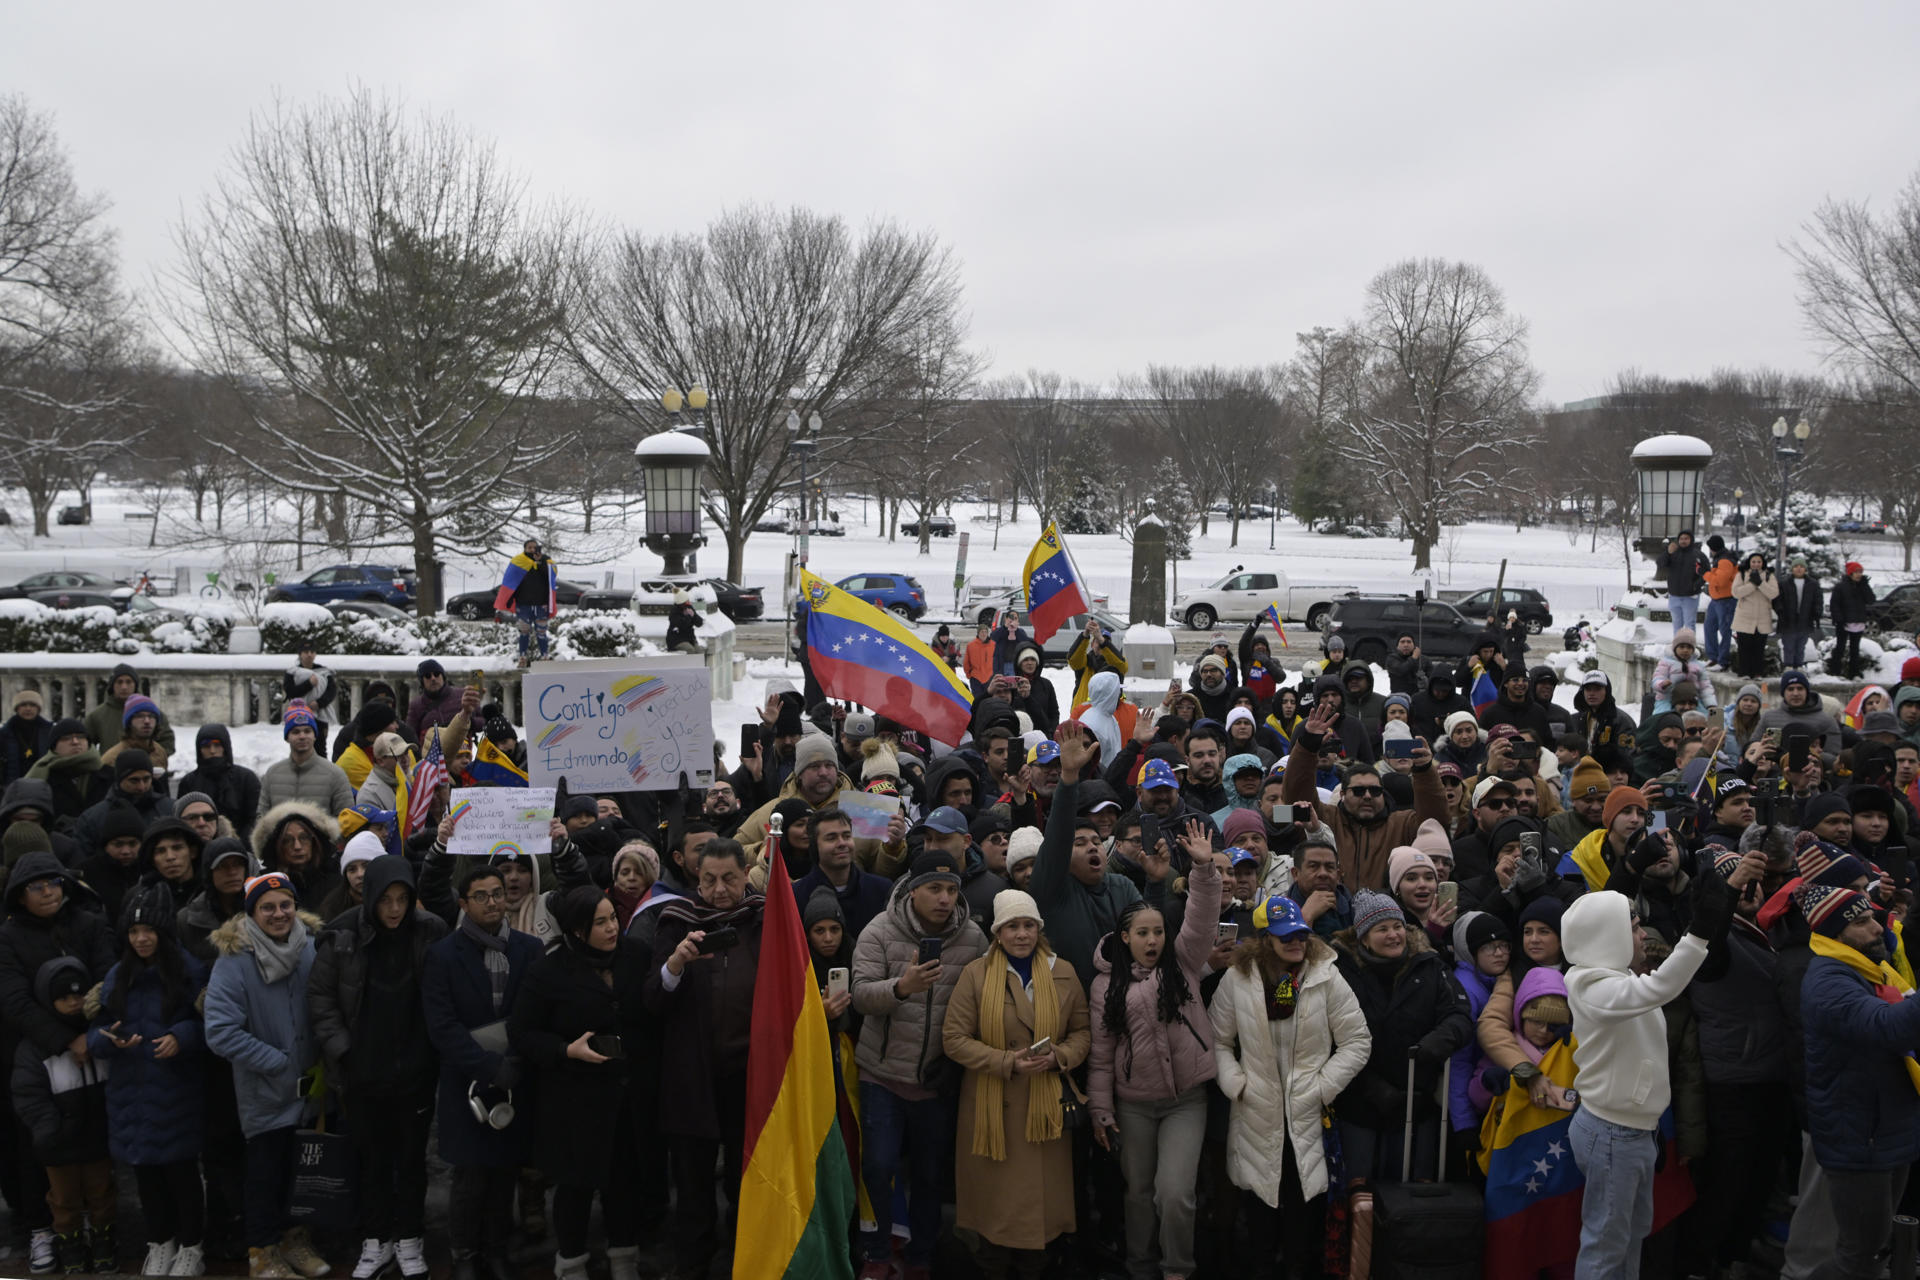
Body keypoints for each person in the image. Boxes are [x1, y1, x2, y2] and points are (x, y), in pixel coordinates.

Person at [1561, 876, 1730, 1280]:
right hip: (1612, 1133)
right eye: (1632, 927)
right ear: (1608, 937)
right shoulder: (1592, 988)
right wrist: (1699, 931)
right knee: (1606, 1247)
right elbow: (1662, 987)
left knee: (1629, 1238)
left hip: (1631, 1131)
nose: (1641, 936)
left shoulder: (1614, 979)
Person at [1210, 893, 1370, 1274]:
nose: (1296, 942)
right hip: (1256, 1113)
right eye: (1286, 936)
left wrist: (1322, 1087)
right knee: (1260, 1223)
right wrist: (1237, 1084)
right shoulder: (1237, 979)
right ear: (1265, 939)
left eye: (1299, 933)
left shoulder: (1325, 975)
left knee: (1302, 1223)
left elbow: (1357, 1040)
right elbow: (1217, 1041)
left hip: (1308, 1115)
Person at [849, 848, 988, 1280]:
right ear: (912, 891)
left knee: (930, 1176)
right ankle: (876, 1250)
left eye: (951, 889)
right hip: (883, 1076)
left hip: (936, 1082)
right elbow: (860, 995)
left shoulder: (973, 939)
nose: (944, 898)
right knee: (879, 1166)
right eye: (934, 888)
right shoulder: (879, 930)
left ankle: (921, 1256)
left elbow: (984, 1002)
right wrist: (902, 987)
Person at [1088, 837, 1223, 1280]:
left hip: (1186, 1099)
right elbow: (1103, 1056)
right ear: (1124, 937)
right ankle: (1140, 1267)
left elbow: (1202, 921)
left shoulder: (1181, 962)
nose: (1152, 940)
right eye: (1142, 933)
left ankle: (1176, 1270)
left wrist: (1203, 870)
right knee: (1138, 1193)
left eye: (1158, 932)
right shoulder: (1104, 986)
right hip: (1134, 1104)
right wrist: (1101, 1111)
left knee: (1174, 1193)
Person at [308, 855, 447, 1280]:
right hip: (361, 1072)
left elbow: (443, 993)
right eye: (386, 899)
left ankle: (409, 1239)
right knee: (371, 1160)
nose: (394, 909)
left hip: (415, 1071)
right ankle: (376, 1240)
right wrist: (345, 1053)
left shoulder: (429, 931)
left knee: (409, 1160)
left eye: (402, 899)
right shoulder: (342, 935)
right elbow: (321, 999)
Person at [943, 889, 1092, 1278]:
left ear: (1039, 929)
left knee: (1036, 1219)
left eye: (1028, 925)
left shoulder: (1064, 972)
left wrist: (1058, 1057)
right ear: (997, 933)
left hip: (1043, 1113)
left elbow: (1082, 1033)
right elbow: (954, 1039)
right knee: (996, 1213)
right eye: (1012, 926)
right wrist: (1006, 1061)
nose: (1021, 934)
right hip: (992, 1110)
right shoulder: (976, 975)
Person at [511, 887, 649, 1280]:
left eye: (612, 919)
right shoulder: (548, 971)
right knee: (574, 1188)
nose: (611, 929)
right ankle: (571, 1263)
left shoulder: (635, 956)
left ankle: (625, 1259)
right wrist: (565, 1051)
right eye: (599, 923)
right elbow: (522, 1033)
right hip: (573, 1102)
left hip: (627, 1097)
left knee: (624, 1184)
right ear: (576, 931)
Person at [644, 841, 767, 1279]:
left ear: (746, 874)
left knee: (745, 1179)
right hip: (692, 1076)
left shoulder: (764, 919)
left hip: (748, 1075)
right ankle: (693, 1263)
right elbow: (653, 1000)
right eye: (709, 879)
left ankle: (744, 1258)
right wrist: (675, 964)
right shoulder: (676, 920)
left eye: (728, 879)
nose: (718, 889)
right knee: (693, 1183)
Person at [201, 872, 329, 1280]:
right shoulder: (235, 960)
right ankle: (263, 1252)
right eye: (268, 907)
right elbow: (220, 1031)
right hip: (265, 1091)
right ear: (252, 913)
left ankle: (295, 1240)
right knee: (264, 1177)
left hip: (310, 1087)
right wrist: (275, 1060)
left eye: (285, 905)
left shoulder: (309, 947)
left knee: (300, 1174)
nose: (279, 914)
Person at [422, 865, 543, 1280]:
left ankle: (496, 1249)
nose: (493, 902)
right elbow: (441, 1025)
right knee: (470, 1177)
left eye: (497, 894)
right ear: (463, 903)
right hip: (466, 1083)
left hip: (516, 1079)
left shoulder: (530, 949)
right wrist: (489, 1065)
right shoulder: (442, 955)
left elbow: (538, 1013)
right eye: (481, 896)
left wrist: (517, 1063)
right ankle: (464, 1256)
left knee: (505, 1171)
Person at [1798, 881, 1920, 1279]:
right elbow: (1889, 1028)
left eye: (1874, 918)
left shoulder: (1870, 969)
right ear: (1837, 933)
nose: (1878, 928)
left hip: (1885, 1128)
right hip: (1859, 1135)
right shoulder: (1828, 980)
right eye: (1864, 921)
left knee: (1876, 1247)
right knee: (1859, 1253)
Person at [88, 883, 209, 1279]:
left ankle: (192, 1247)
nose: (141, 939)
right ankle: (160, 1243)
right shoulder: (116, 975)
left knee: (181, 1175)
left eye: (149, 931)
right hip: (130, 1094)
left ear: (163, 931)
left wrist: (181, 1037)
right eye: (134, 932)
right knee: (146, 1176)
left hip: (177, 1092)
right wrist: (108, 1041)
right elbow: (97, 1030)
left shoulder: (188, 970)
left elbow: (209, 1024)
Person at [1331, 890, 1473, 1184]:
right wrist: (1370, 1086)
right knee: (1360, 1186)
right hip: (1359, 1102)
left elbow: (1459, 1015)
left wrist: (1437, 1042)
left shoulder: (1429, 965)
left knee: (1407, 1187)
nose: (1394, 935)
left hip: (1415, 1100)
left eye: (1397, 926)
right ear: (1363, 937)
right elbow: (1329, 1034)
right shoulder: (1340, 971)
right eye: (1382, 929)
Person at [13, 955, 115, 1276]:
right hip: (59, 1144)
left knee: (102, 1195)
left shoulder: (99, 1034)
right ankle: (69, 1245)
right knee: (64, 1201)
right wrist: (50, 1132)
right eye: (64, 998)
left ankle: (103, 1242)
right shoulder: (35, 1048)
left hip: (98, 1138)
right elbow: (29, 1095)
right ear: (48, 999)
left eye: (79, 995)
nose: (73, 1003)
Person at [256, 702, 353, 822]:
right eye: (295, 732)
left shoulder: (336, 775)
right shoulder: (272, 774)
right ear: (287, 737)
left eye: (307, 731)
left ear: (315, 735)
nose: (302, 736)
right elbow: (262, 820)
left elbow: (347, 821)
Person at [176, 726, 261, 845]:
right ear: (199, 749)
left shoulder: (246, 778)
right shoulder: (189, 782)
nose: (212, 751)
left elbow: (252, 819)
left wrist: (239, 845)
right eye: (206, 746)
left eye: (217, 745)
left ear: (225, 747)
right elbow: (183, 819)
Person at [83, 665, 176, 756]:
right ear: (112, 685)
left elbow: (167, 741)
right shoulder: (97, 716)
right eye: (119, 682)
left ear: (135, 685)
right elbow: (85, 745)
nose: (124, 687)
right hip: (111, 769)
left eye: (129, 682)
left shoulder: (152, 713)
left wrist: (152, 759)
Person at [494, 538, 557, 669]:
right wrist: (510, 598)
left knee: (542, 633)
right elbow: (511, 580)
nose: (532, 550)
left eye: (535, 547)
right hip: (523, 606)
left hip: (541, 606)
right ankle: (522, 657)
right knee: (524, 632)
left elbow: (551, 577)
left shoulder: (546, 561)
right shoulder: (518, 561)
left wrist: (540, 562)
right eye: (529, 547)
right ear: (525, 549)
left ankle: (544, 657)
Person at [1731, 551, 1781, 677]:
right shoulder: (1741, 575)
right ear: (1749, 563)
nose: (1756, 564)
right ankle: (1744, 672)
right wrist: (1753, 584)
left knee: (1759, 648)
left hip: (1762, 617)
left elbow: (1773, 593)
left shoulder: (1769, 576)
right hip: (1744, 617)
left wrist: (1761, 583)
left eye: (1759, 562)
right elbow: (1736, 593)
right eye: (1754, 562)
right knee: (1744, 648)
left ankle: (1758, 672)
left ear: (1763, 563)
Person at [1656, 529, 1711, 637]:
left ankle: (1689, 648)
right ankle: (1678, 649)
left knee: (1690, 625)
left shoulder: (1698, 555)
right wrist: (1667, 553)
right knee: (1677, 625)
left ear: (1691, 540)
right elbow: (1660, 564)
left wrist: (1696, 585)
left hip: (1690, 597)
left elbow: (1707, 572)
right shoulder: (1673, 552)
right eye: (1681, 539)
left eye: (1686, 539)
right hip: (1674, 595)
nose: (1683, 541)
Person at [1775, 556, 1824, 671]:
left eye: (1801, 566)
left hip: (1805, 619)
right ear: (1792, 569)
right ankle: (1788, 665)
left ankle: (1799, 665)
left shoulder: (1813, 584)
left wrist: (1817, 612)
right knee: (1788, 644)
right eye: (1796, 566)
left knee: (1801, 645)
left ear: (1805, 569)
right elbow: (1777, 600)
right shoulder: (1784, 583)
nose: (1799, 569)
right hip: (1788, 619)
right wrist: (1780, 611)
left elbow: (1818, 600)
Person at [1830, 561, 1876, 680]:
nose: (1859, 574)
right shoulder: (1840, 587)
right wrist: (1838, 619)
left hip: (1858, 621)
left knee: (1855, 649)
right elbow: (1834, 604)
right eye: (1856, 572)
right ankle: (1835, 671)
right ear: (1850, 573)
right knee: (1840, 647)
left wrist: (1865, 585)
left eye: (1860, 572)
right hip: (1844, 622)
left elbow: (1871, 600)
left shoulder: (1862, 586)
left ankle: (1854, 672)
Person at [2, 690, 53, 786]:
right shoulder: (5, 733)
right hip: (13, 785)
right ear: (17, 708)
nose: (28, 708)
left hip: (42, 783)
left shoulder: (50, 731)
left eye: (33, 705)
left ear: (38, 709)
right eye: (24, 705)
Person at [1701, 534, 1738, 669]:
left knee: (1725, 630)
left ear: (1713, 548)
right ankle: (1714, 657)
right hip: (1716, 599)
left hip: (1726, 600)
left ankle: (1723, 660)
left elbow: (1720, 581)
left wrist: (1704, 573)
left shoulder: (1724, 561)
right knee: (1709, 627)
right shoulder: (1721, 558)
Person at [281, 648, 337, 730]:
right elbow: (290, 692)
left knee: (320, 741)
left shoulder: (324, 671)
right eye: (306, 652)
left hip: (320, 715)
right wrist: (309, 684)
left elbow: (331, 691)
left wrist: (319, 703)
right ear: (300, 654)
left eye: (312, 652)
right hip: (298, 713)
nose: (309, 654)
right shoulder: (292, 672)